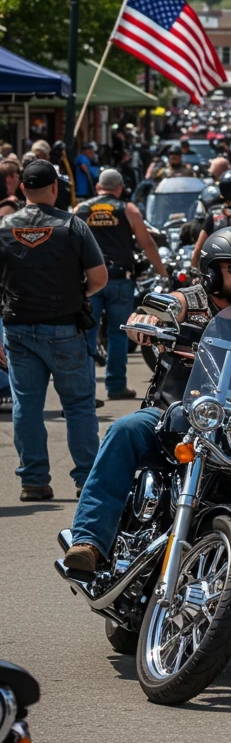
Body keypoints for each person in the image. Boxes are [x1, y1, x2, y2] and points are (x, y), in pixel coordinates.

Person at [63, 227, 231, 673]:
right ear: (212, 272)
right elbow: (151, 313)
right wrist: (147, 326)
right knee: (125, 430)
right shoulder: (186, 302)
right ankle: (90, 542)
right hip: (178, 416)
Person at [0, 160, 108, 501]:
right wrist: (78, 295)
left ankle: (33, 480)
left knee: (26, 405)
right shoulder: (72, 225)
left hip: (17, 327)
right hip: (64, 326)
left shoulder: (4, 227)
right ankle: (86, 478)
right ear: (55, 188)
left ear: (21, 189)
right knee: (77, 405)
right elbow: (99, 278)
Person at [76, 169, 168, 401]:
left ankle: (84, 390)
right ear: (119, 188)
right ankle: (116, 386)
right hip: (119, 278)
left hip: (89, 281)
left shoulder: (81, 210)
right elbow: (146, 243)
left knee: (87, 333)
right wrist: (162, 272)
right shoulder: (128, 209)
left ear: (98, 187)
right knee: (118, 335)